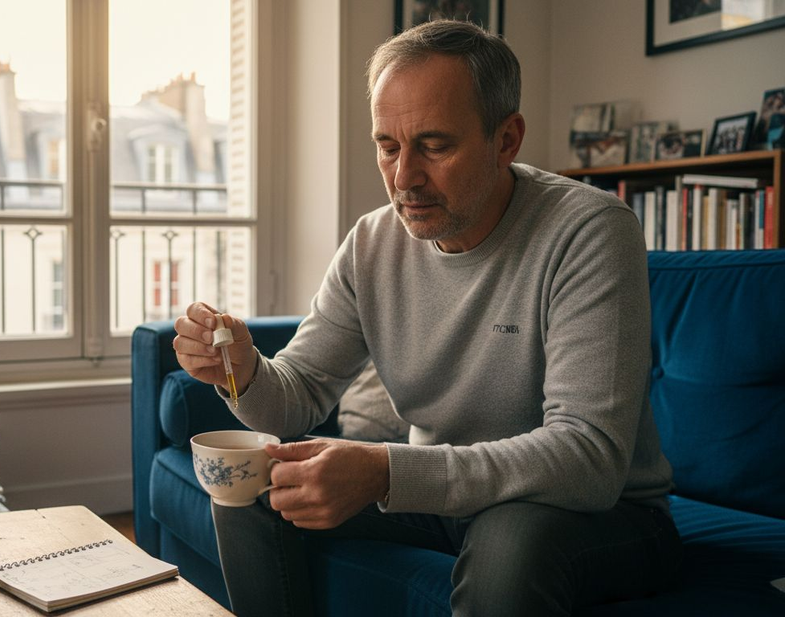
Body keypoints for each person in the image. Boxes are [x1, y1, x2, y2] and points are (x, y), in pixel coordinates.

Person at [172, 19, 681, 617]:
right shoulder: (372, 244)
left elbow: (587, 458)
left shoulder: (589, 231)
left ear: (506, 139)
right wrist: (243, 371)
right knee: (254, 484)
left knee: (511, 536)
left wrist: (385, 472)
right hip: (448, 499)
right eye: (387, 146)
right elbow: (294, 400)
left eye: (434, 146)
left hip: (600, 513)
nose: (403, 178)